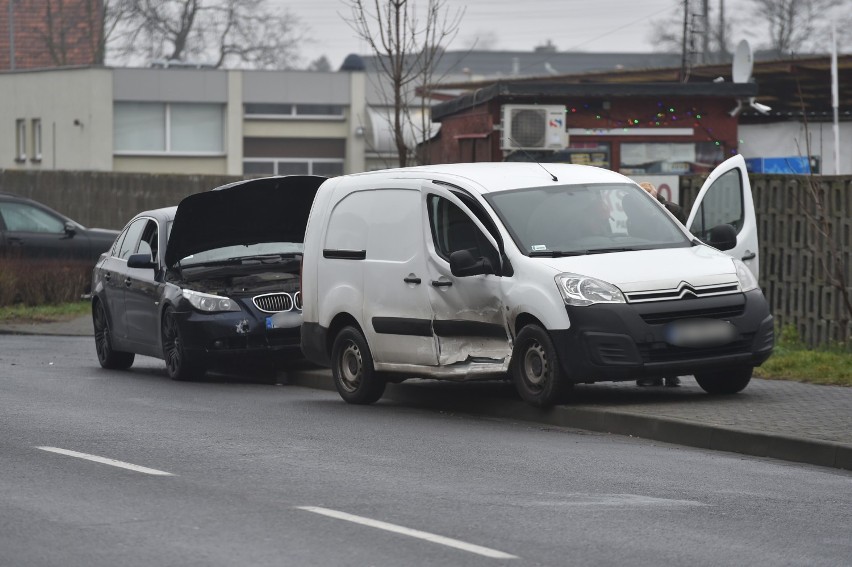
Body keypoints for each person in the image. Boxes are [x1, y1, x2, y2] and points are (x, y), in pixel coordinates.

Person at [636, 182, 682, 388]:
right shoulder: (634, 215)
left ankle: (670, 373)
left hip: (669, 273)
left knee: (672, 325)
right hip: (647, 274)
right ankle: (653, 374)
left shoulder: (672, 211)